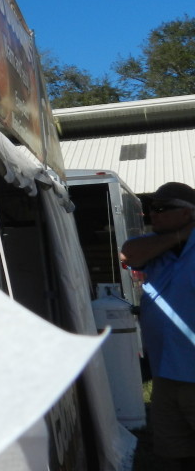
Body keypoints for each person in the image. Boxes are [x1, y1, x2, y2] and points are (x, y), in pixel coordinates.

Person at [120, 181, 195, 470]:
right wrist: (179, 235)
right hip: (166, 372)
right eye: (152, 208)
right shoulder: (156, 247)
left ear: (189, 213)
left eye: (164, 208)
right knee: (173, 451)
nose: (155, 213)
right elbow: (128, 254)